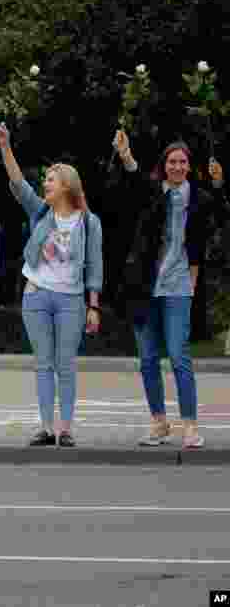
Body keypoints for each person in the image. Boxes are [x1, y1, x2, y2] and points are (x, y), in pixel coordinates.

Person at [111, 131, 227, 449]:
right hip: (146, 286)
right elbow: (134, 178)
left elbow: (220, 215)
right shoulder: (153, 193)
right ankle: (159, 423)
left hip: (178, 288)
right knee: (148, 359)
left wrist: (218, 184)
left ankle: (190, 426)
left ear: (189, 167)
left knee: (179, 356)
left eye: (182, 162)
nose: (177, 167)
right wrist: (125, 154)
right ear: (164, 166)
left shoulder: (199, 199)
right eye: (172, 162)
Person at [0, 122, 103, 448]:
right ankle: (45, 427)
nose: (45, 185)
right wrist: (4, 146)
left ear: (67, 185)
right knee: (43, 363)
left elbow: (96, 264)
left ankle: (66, 428)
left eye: (50, 180)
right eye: (45, 181)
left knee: (65, 364)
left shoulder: (88, 221)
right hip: (37, 295)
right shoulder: (40, 212)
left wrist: (93, 305)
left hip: (71, 300)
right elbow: (17, 183)